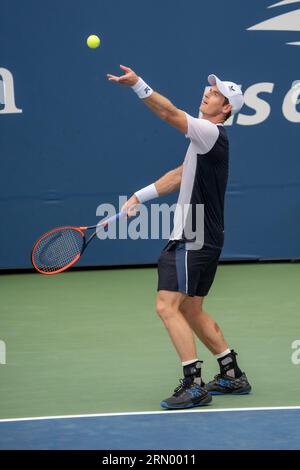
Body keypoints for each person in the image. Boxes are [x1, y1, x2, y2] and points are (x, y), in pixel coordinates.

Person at [107, 65, 251, 409]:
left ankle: (194, 384)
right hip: (207, 235)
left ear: (226, 108)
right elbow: (178, 175)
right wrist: (138, 197)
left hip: (194, 235)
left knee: (165, 305)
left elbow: (168, 112)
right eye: (209, 89)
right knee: (190, 307)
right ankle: (231, 373)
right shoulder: (205, 142)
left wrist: (138, 84)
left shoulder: (209, 132)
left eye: (217, 94)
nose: (208, 93)